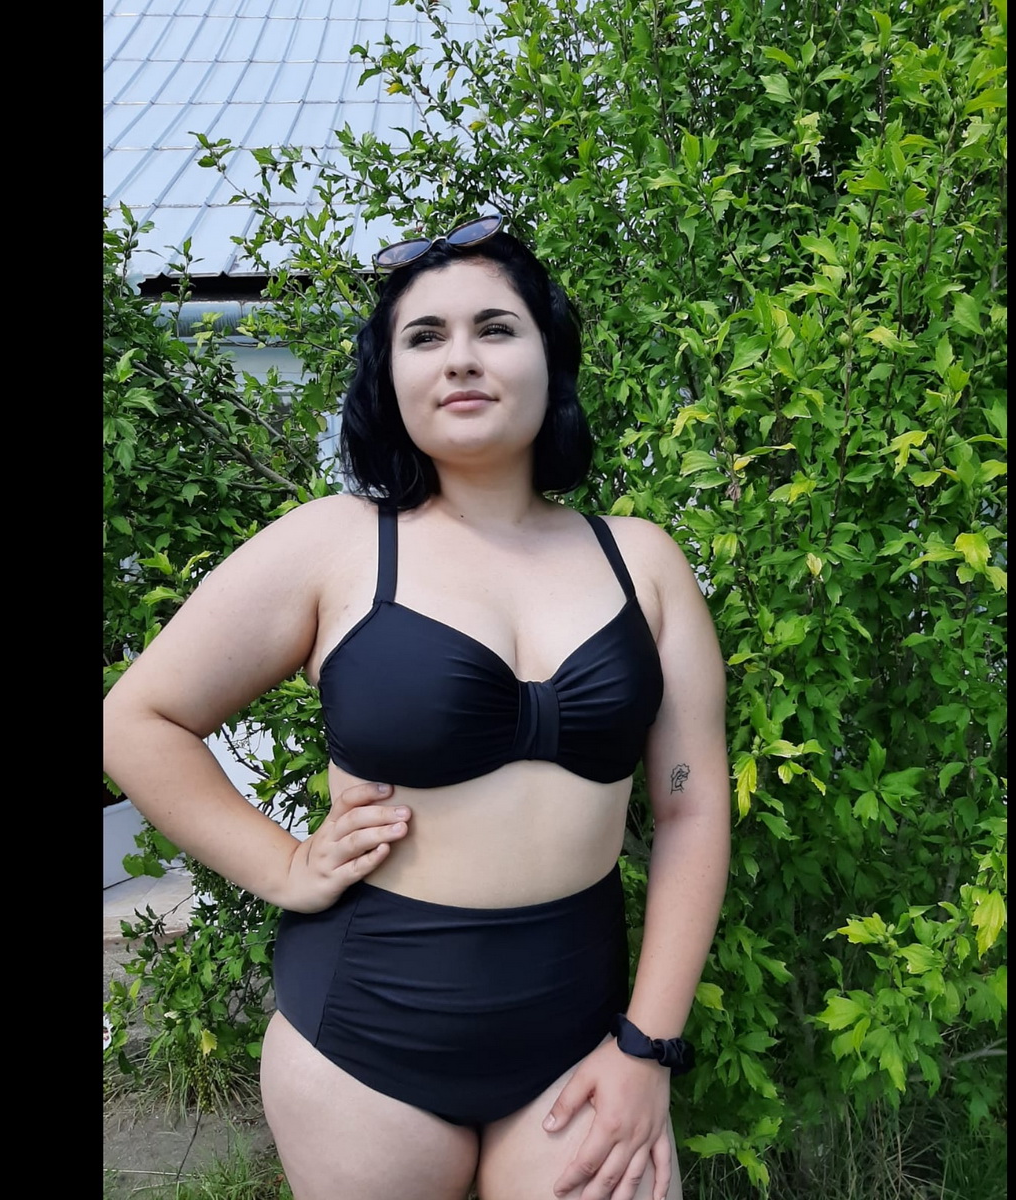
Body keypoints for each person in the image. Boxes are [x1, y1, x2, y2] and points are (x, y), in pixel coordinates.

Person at [103, 213, 731, 1200]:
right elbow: (136, 721)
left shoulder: (642, 562)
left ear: (549, 358)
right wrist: (282, 865)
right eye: (425, 336)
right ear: (389, 379)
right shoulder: (337, 545)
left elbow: (691, 809)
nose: (460, 358)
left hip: (579, 1041)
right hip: (364, 1042)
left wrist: (647, 1046)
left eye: (496, 328)